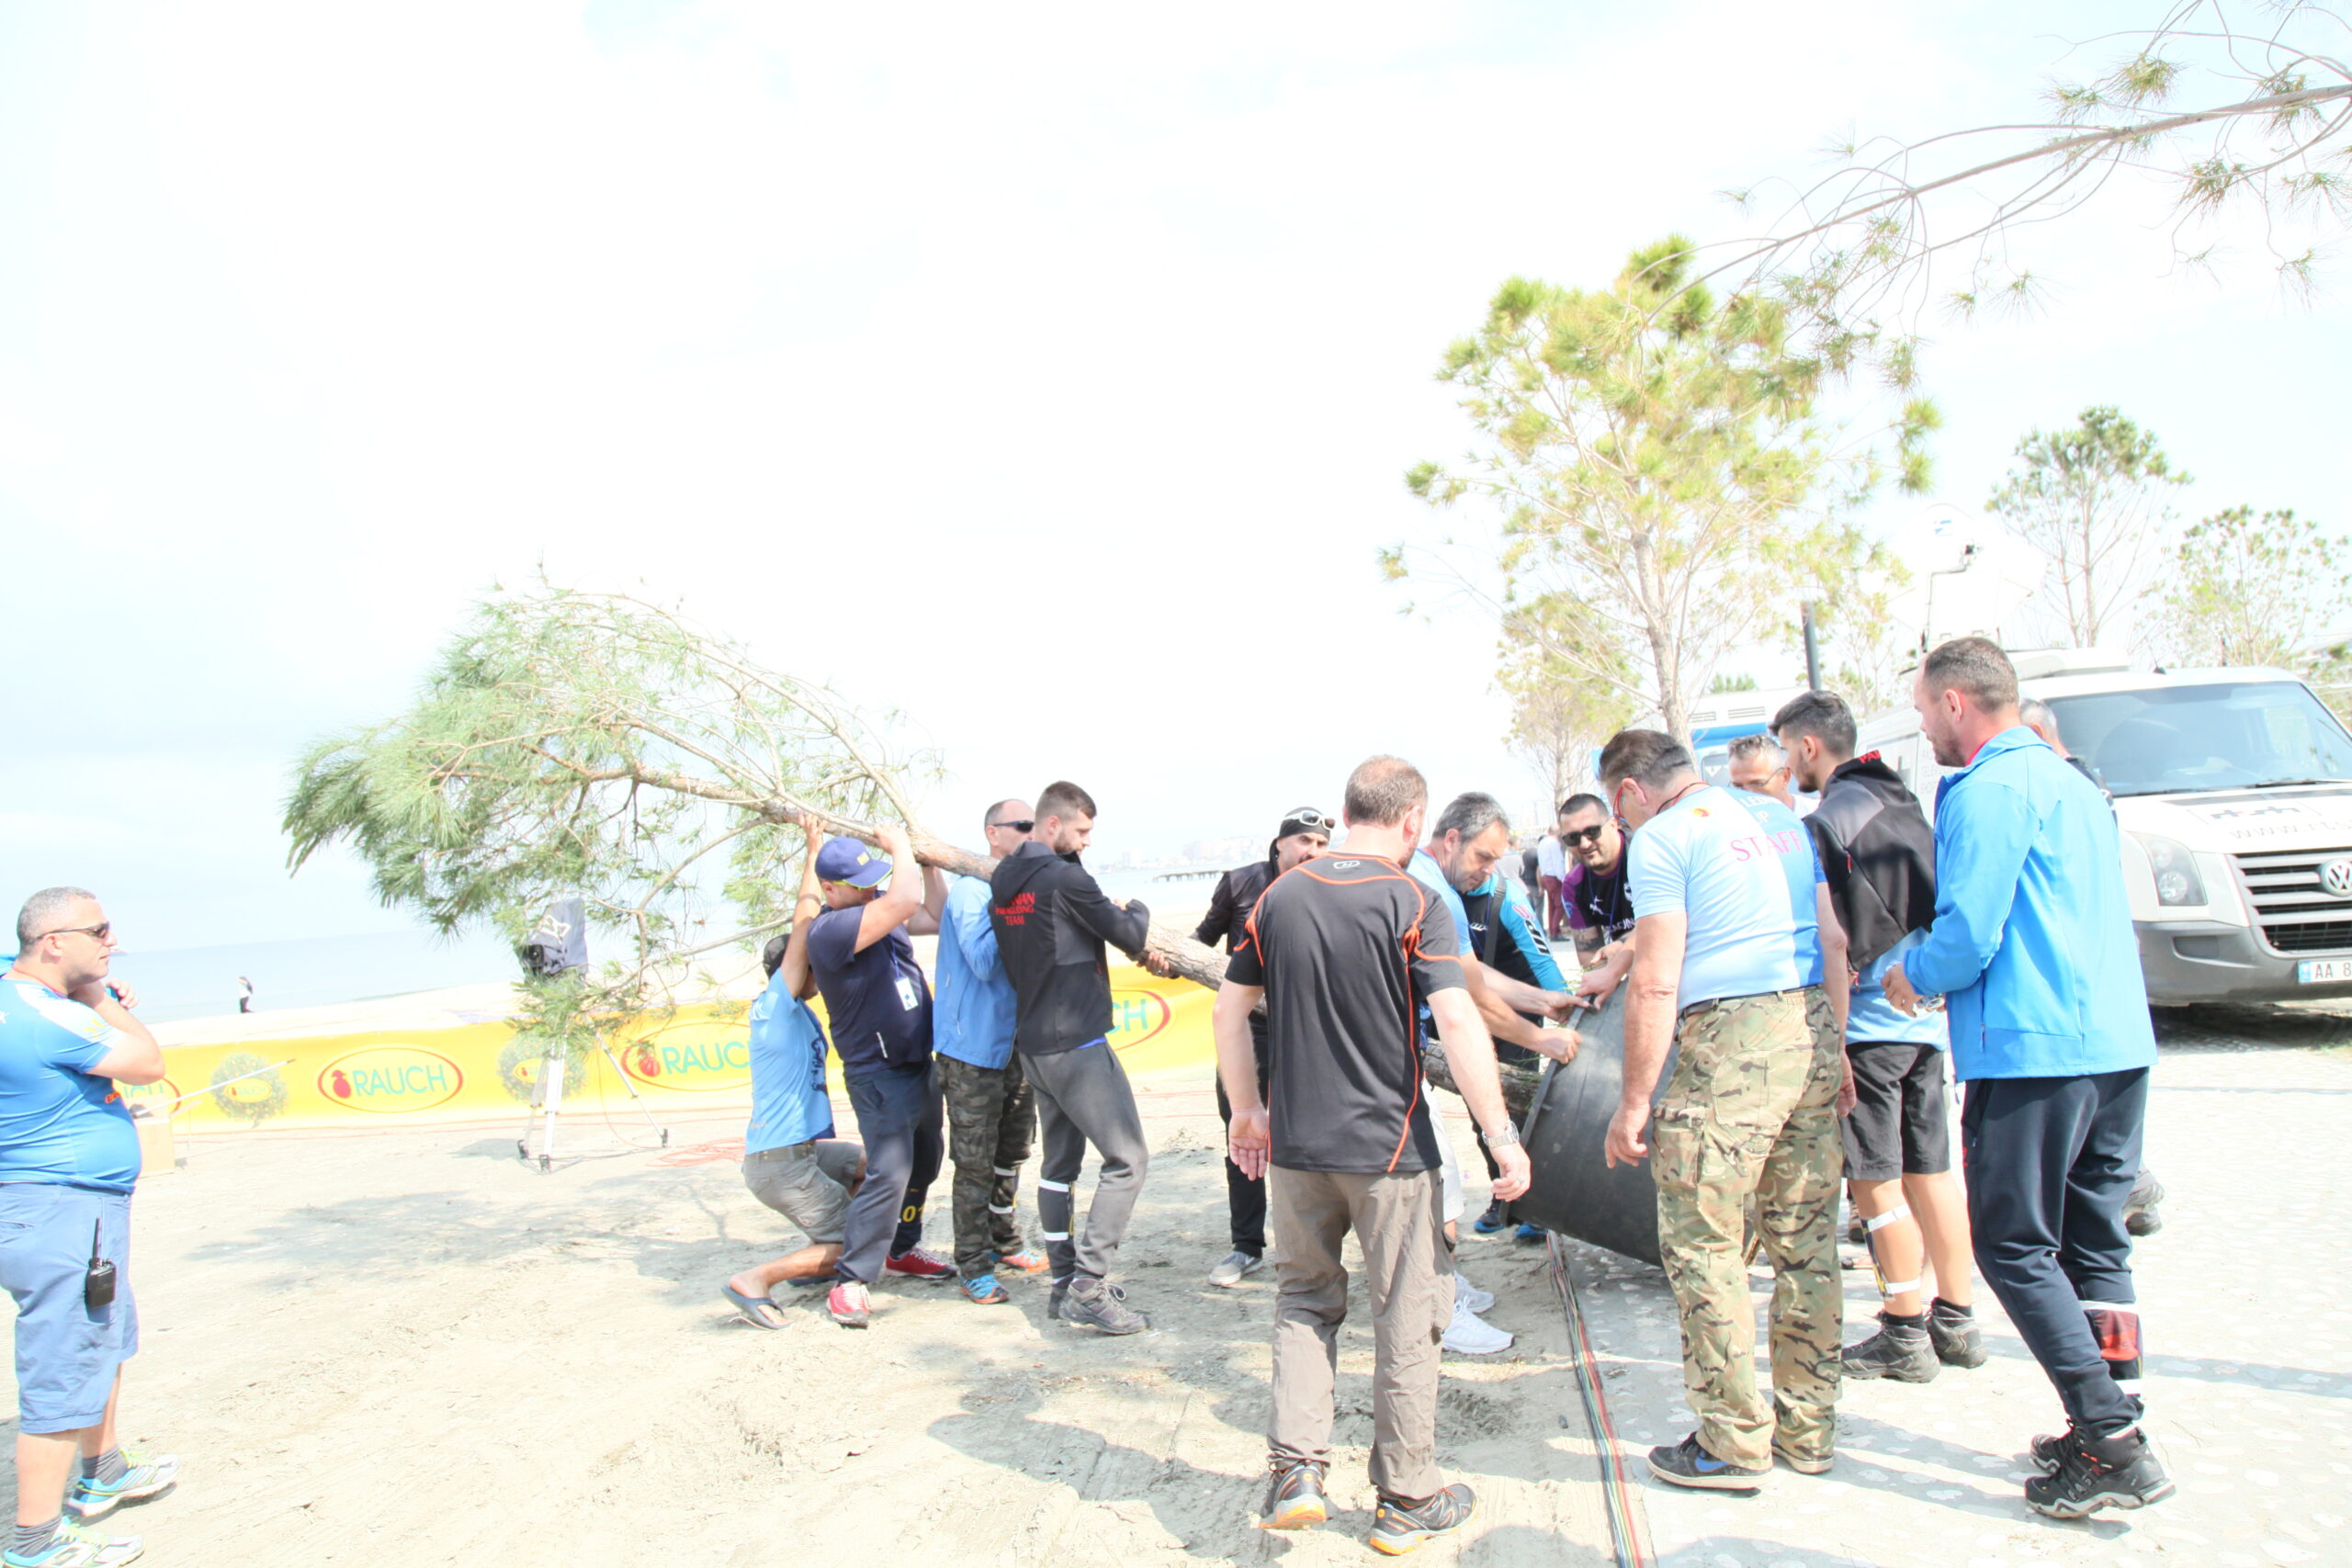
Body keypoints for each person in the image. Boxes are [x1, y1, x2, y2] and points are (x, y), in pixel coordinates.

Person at [1883, 638, 2172, 1519]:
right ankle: (2117, 1415)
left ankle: (2110, 1438)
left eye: (1924, 709)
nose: (1924, 727)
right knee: (2095, 1243)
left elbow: (1970, 933)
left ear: (1957, 702)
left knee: (2011, 1245)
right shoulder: (2071, 781)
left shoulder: (1988, 787)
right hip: (2115, 1042)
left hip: (2036, 1049)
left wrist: (1911, 973)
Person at [1216, 755, 1530, 1554]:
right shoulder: (1415, 899)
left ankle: (1296, 1473)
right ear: (1413, 819)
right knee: (1406, 1314)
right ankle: (1407, 1495)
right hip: (1391, 1149)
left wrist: (1247, 1112)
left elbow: (1229, 1009)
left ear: (1347, 809)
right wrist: (1500, 1134)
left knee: (1303, 1301)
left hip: (1297, 1150)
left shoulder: (1280, 896)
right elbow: (1457, 1020)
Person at [1595, 732, 1854, 1488]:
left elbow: (1655, 980)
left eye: (1618, 810)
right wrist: (1836, 1046)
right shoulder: (1779, 818)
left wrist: (1633, 1100)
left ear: (1628, 793)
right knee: (1804, 1239)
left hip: (1732, 1041)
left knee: (1703, 1239)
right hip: (1809, 1020)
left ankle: (1732, 1439)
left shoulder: (1663, 837)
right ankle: (1809, 1428)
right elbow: (1832, 939)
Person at [1773, 690, 1984, 1383]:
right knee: (1934, 1173)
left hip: (1868, 1025)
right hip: (1926, 1022)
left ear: (1809, 746)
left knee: (1874, 1183)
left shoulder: (1825, 823)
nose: (1786, 765)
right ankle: (1957, 1319)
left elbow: (1834, 942)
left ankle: (1902, 1329)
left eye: (1787, 750)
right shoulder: (1900, 799)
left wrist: (1831, 1040)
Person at [2, 888, 179, 1568]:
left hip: (61, 1210)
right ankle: (36, 1541)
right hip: (63, 1212)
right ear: (54, 942)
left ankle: (103, 1468)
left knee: (99, 1339)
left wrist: (81, 989)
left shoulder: (19, 997)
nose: (112, 942)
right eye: (99, 931)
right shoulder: (48, 1018)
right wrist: (100, 997)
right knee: (65, 1362)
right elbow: (148, 1061)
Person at [989, 781, 1156, 1335]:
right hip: (1077, 1043)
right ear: (1053, 824)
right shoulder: (1066, 880)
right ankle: (1088, 1285)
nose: (1086, 842)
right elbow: (1129, 935)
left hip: (1034, 1045)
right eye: (1081, 831)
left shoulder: (1004, 881)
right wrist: (1137, 907)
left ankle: (1062, 1281)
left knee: (1058, 1167)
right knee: (1128, 1159)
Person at [803, 822, 955, 1329]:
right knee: (889, 1172)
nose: (872, 890)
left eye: (875, 880)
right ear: (830, 890)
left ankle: (902, 1249)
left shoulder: (879, 914)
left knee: (926, 1162)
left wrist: (928, 865)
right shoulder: (830, 931)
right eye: (860, 885)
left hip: (916, 1062)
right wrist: (901, 847)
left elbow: (932, 913)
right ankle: (850, 1279)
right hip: (878, 1072)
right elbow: (904, 900)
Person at [1191, 808, 1333, 1288]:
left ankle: (1309, 1243)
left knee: (1307, 1140)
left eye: (1321, 845)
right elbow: (1202, 940)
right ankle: (1246, 1246)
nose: (1312, 852)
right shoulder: (1240, 883)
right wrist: (1164, 956)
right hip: (1246, 1034)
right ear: (1280, 845)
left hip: (1304, 1033)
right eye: (1304, 842)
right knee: (1244, 1137)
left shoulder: (1328, 886)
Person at [933, 800, 1052, 1305]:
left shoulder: (1025, 888)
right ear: (992, 833)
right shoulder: (972, 890)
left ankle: (1005, 1241)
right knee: (975, 1162)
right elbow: (983, 961)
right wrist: (1015, 906)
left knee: (1013, 1154)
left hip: (1017, 1045)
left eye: (1034, 826)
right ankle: (973, 1264)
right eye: (1020, 826)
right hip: (972, 1049)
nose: (1029, 833)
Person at [721, 922, 866, 1328]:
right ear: (799, 967)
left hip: (801, 1152)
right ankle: (755, 1280)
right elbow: (801, 929)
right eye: (814, 965)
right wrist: (811, 881)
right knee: (859, 1245)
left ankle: (817, 1256)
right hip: (779, 1164)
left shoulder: (799, 1009)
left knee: (869, 1165)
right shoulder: (776, 1007)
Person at [1555, 793, 1636, 970]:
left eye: (1592, 832)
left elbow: (1669, 922)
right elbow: (1589, 958)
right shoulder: (1574, 884)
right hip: (1627, 966)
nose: (1584, 844)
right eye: (1573, 838)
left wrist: (1623, 945)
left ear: (1613, 825)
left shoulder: (1644, 853)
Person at [1728, 732, 1798, 810]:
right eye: (1738, 787)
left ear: (1785, 777)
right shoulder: (1732, 816)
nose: (1747, 795)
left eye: (1757, 784)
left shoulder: (1807, 812)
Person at [1535, 816, 1569, 938]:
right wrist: (1563, 879)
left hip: (1546, 877)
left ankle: (1553, 930)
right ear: (1558, 833)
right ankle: (1555, 931)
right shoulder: (1553, 843)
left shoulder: (1542, 843)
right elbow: (1558, 862)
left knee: (1552, 906)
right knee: (1560, 905)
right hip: (1554, 877)